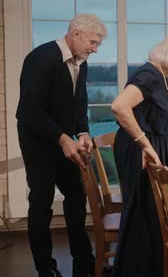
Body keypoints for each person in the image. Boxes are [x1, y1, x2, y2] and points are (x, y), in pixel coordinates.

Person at [16, 14, 107, 277]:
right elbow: (30, 112)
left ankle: (83, 260)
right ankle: (46, 268)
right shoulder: (40, 58)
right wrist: (62, 138)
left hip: (65, 138)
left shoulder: (82, 62)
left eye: (98, 44)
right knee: (42, 204)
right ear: (76, 33)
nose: (95, 49)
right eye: (93, 42)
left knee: (76, 198)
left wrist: (83, 131)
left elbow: (80, 103)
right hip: (38, 140)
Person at [110, 29, 168, 277]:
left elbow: (148, 114)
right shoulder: (149, 75)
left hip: (150, 146)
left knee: (153, 213)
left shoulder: (163, 76)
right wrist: (146, 144)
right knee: (144, 213)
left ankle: (156, 267)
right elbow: (119, 107)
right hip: (139, 151)